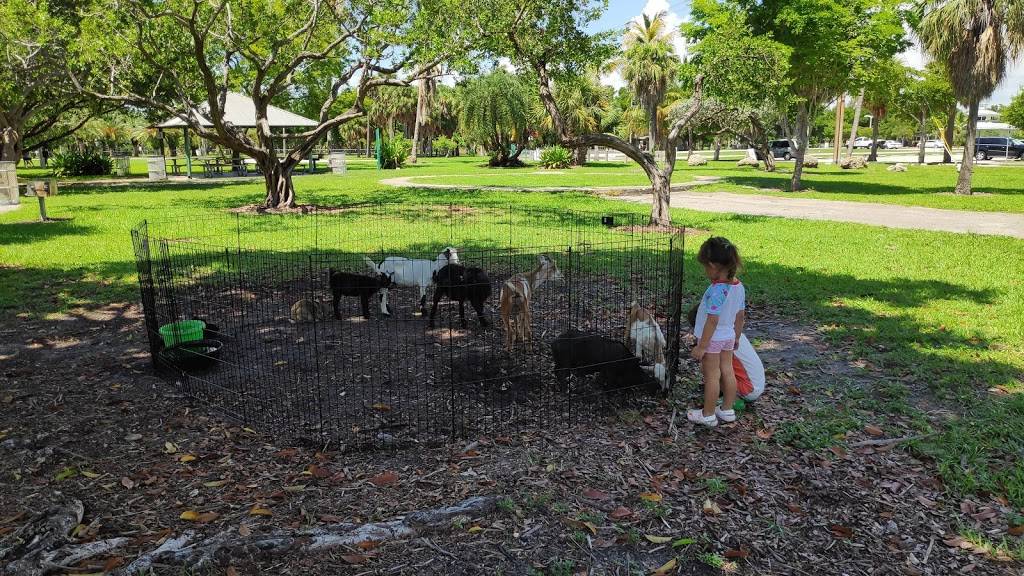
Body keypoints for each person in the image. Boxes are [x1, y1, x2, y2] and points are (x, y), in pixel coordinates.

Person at [688, 237, 745, 427]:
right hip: (728, 336)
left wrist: (702, 346)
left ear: (713, 265)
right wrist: (736, 337)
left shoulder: (717, 291)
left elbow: (712, 320)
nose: (705, 271)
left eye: (705, 267)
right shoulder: (738, 286)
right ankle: (727, 409)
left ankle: (708, 414)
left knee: (712, 376)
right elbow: (740, 316)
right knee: (728, 372)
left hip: (712, 340)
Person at [689, 304, 764, 403]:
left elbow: (706, 359)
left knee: (707, 367)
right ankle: (725, 392)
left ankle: (732, 400)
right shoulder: (732, 332)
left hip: (749, 389)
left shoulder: (717, 340)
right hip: (755, 386)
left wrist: (699, 348)